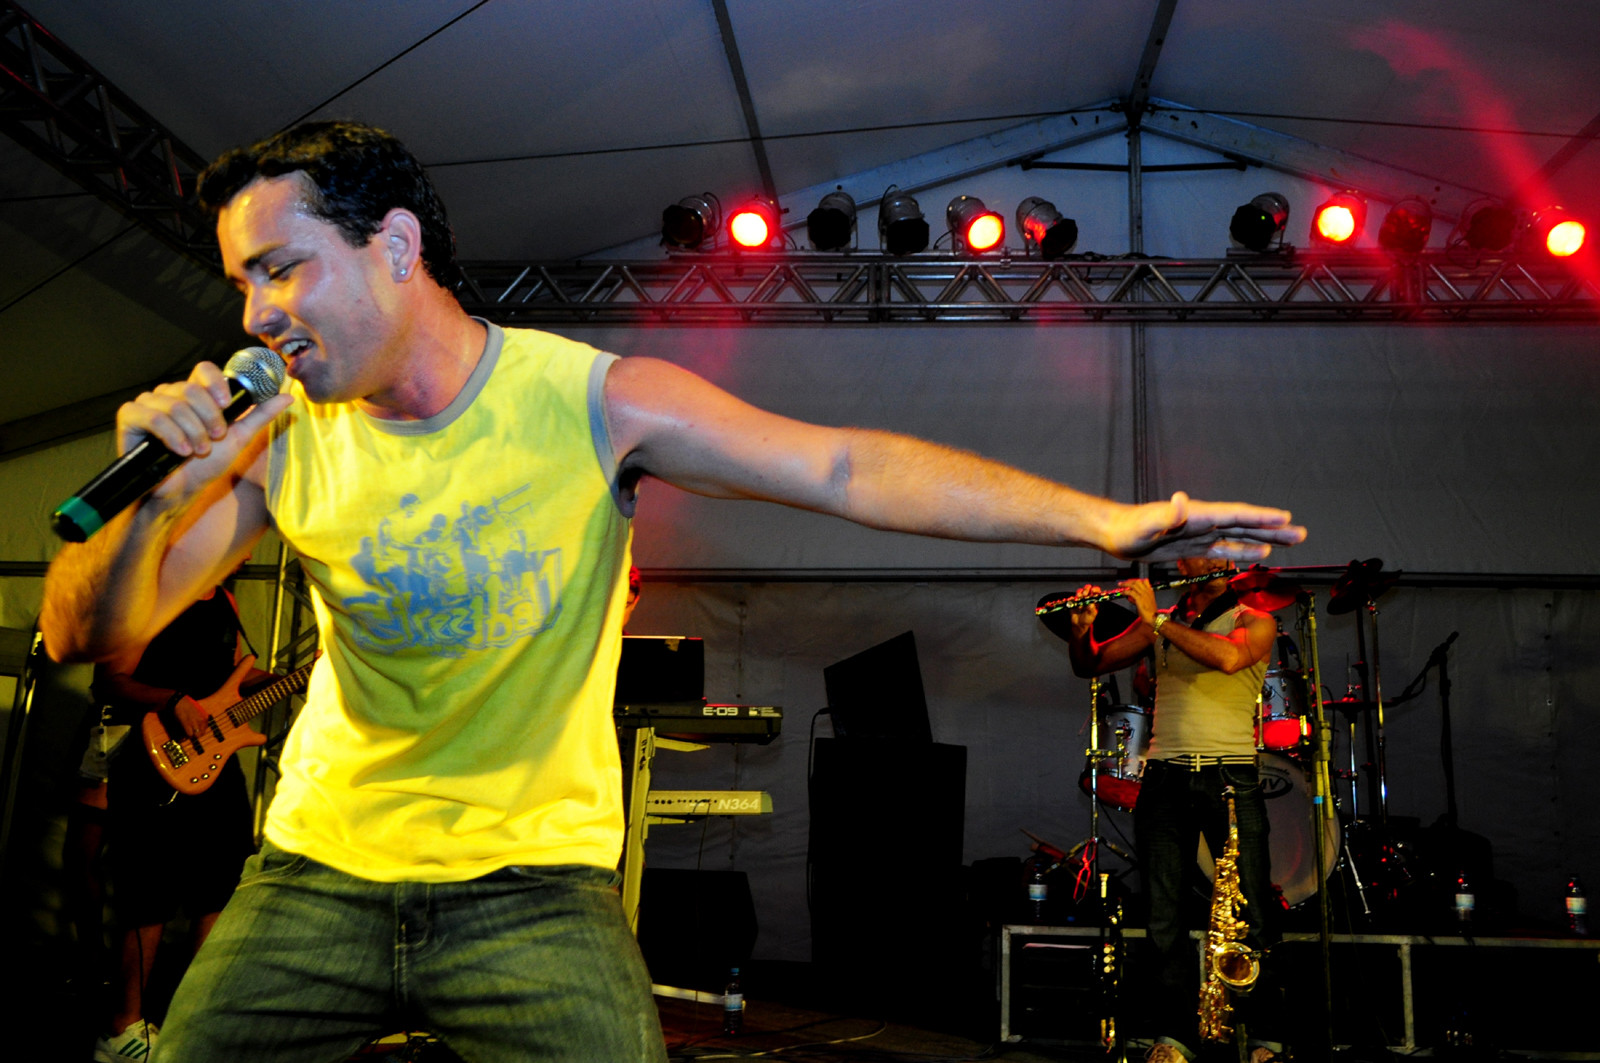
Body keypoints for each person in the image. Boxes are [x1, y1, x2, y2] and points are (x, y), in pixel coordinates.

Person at [38, 121, 1304, 1063]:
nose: (258, 314)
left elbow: (841, 463)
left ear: (397, 247)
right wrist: (158, 486)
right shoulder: (276, 439)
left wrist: (1107, 522)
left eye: (280, 269)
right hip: (317, 867)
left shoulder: (594, 403)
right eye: (244, 283)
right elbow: (80, 631)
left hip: (531, 884)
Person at [1060, 558, 1283, 1063]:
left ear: (1231, 566)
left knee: (1254, 908)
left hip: (1230, 774)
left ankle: (1266, 1035)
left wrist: (1158, 621)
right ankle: (1174, 1036)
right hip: (1165, 774)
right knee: (1164, 914)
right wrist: (1082, 632)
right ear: (1183, 564)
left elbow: (1228, 660)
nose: (1209, 564)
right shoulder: (1162, 620)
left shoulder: (1254, 619)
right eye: (1198, 555)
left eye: (1218, 556)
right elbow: (1090, 664)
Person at [89, 582, 269, 1062]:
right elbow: (108, 679)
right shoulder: (152, 594)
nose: (249, 554)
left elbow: (228, 678)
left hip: (214, 758)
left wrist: (290, 679)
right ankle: (121, 1031)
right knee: (151, 887)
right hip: (153, 752)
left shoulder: (227, 602)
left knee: (223, 882)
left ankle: (196, 1018)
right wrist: (172, 700)